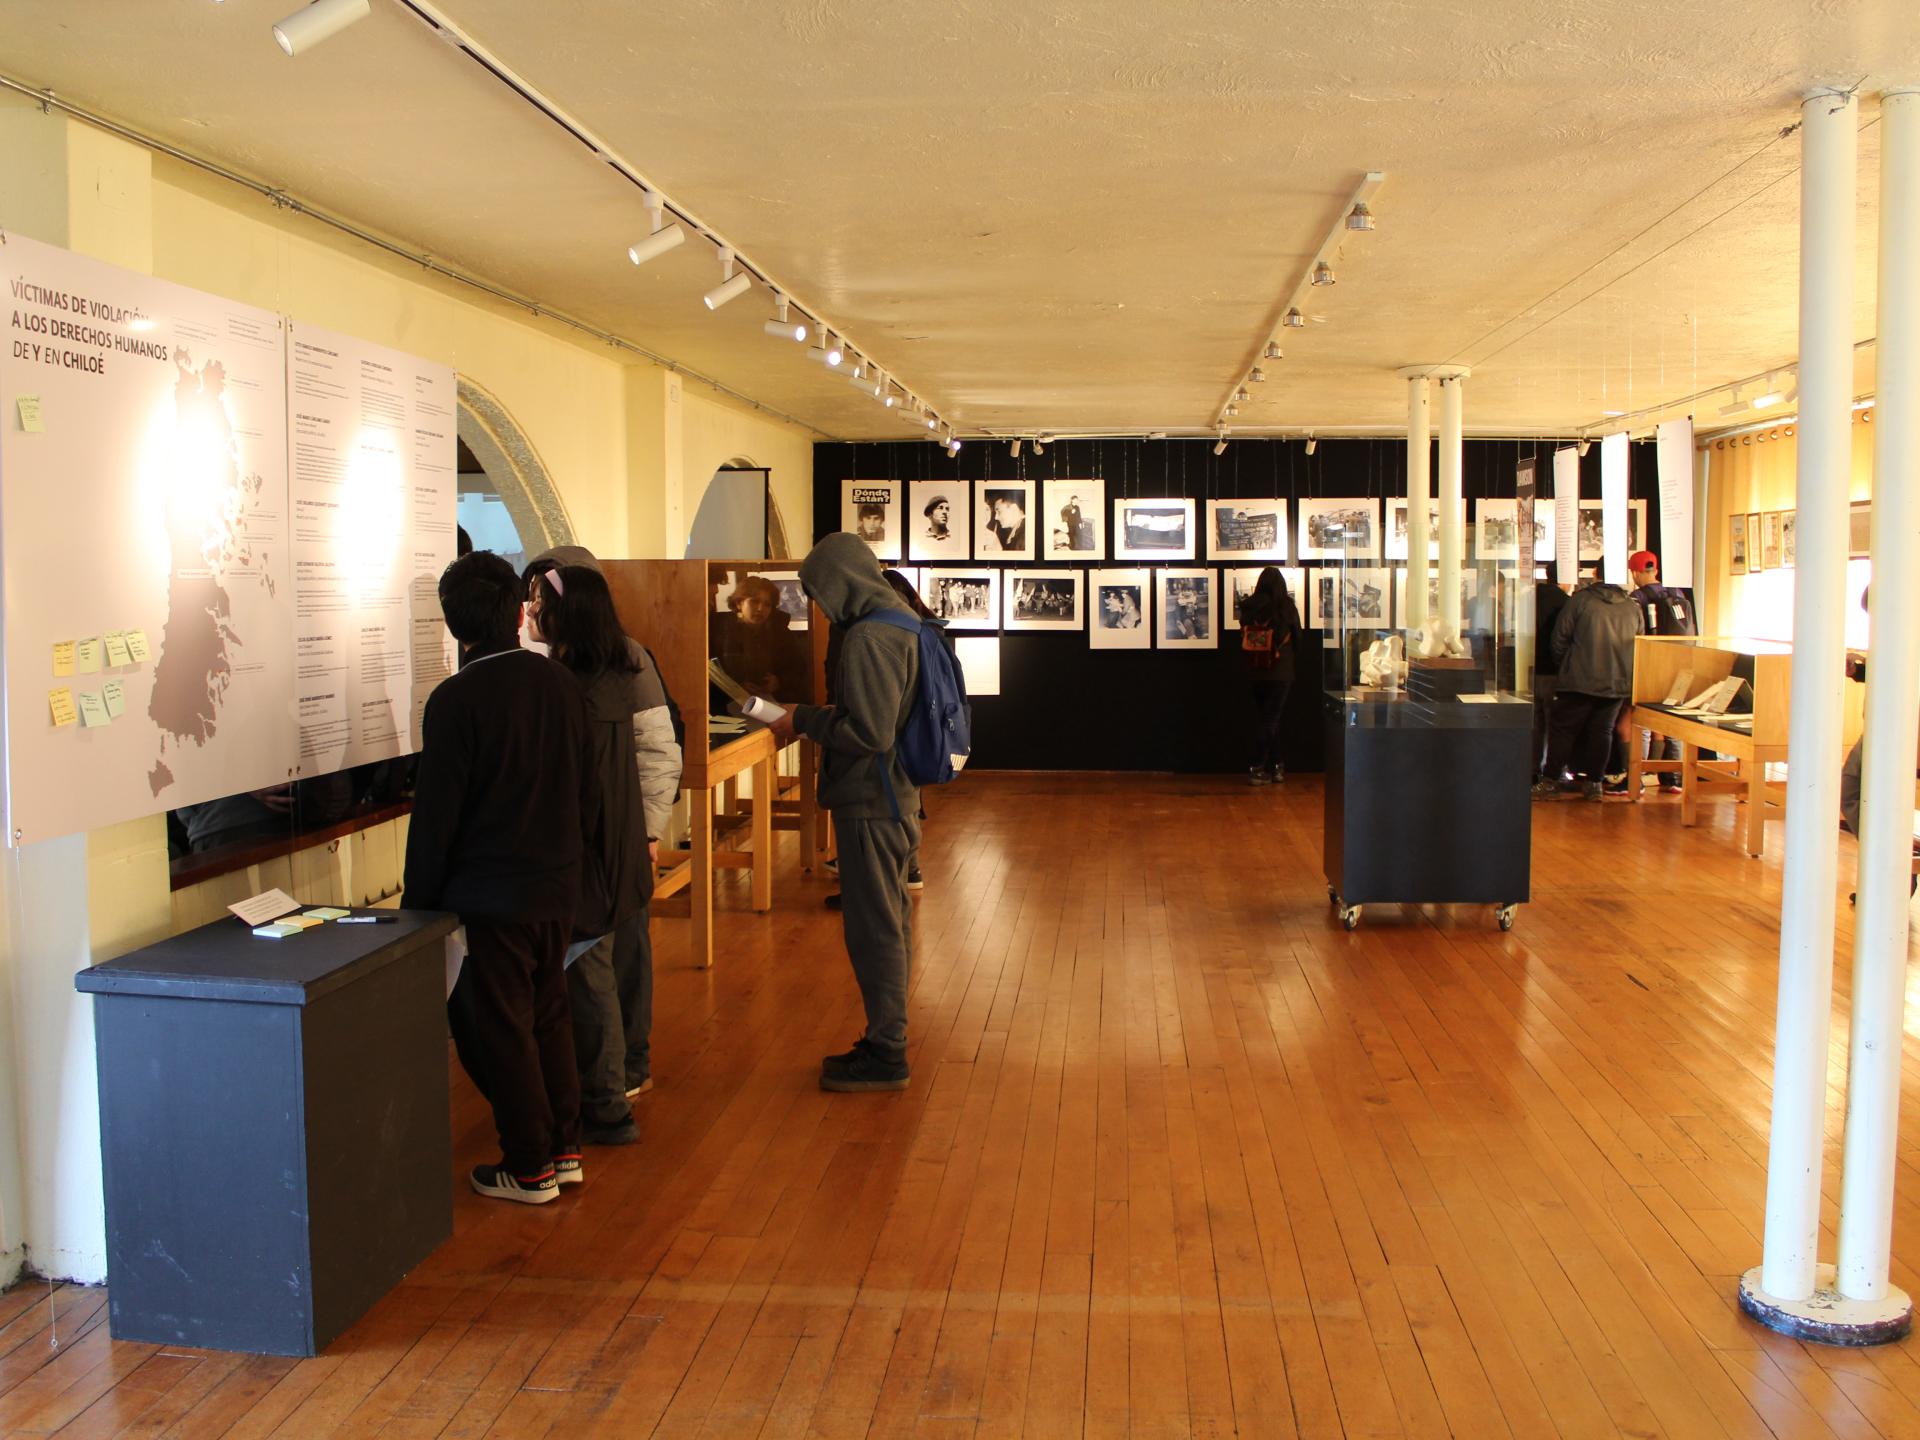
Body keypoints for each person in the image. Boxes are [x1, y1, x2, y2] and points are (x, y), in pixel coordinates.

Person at [405, 551, 594, 1204]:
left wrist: (417, 907)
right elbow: (586, 791)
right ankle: (563, 1150)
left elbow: (436, 817)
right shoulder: (562, 685)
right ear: (518, 613)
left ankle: (529, 1163)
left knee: (505, 1028)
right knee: (549, 1015)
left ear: (455, 627)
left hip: (492, 895)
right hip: (556, 884)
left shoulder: (455, 701)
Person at [526, 546, 682, 1112]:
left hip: (622, 832)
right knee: (597, 959)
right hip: (598, 835)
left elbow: (658, 749)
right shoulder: (553, 662)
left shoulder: (628, 659)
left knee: (621, 954)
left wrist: (647, 829)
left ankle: (622, 1073)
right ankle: (610, 1072)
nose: (530, 608)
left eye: (540, 596)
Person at [767, 533, 920, 1093]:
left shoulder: (869, 636)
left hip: (870, 801)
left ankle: (887, 1051)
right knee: (889, 919)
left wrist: (803, 718)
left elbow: (868, 731)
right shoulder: (899, 619)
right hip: (894, 795)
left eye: (818, 590)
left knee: (874, 927)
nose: (819, 604)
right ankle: (887, 1038)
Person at [1534, 574, 1644, 801]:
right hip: (1616, 682)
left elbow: (1559, 639)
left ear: (1596, 575)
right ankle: (1595, 783)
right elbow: (1640, 643)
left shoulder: (1581, 601)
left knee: (1563, 731)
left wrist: (1566, 667)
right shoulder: (1632, 607)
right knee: (1602, 732)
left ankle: (1551, 780)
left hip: (1578, 679)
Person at [1611, 550, 1697, 793]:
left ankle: (1635, 778)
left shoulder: (1636, 598)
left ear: (1636, 572)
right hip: (1678, 666)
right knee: (1668, 722)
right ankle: (1672, 779)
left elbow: (1632, 634)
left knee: (1636, 722)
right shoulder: (1677, 594)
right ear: (1655, 570)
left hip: (1648, 665)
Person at [1236, 566, 1302, 785]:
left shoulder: (1248, 607)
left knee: (1268, 719)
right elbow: (1298, 639)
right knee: (1270, 719)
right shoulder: (1287, 607)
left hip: (1254, 670)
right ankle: (1256, 767)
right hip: (1280, 671)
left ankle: (1277, 766)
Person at [1531, 579, 1571, 781]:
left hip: (1530, 669)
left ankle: (1532, 769)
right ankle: (1553, 771)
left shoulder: (1529, 597)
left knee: (1535, 722)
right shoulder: (1566, 602)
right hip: (1554, 672)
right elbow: (1562, 639)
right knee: (1556, 724)